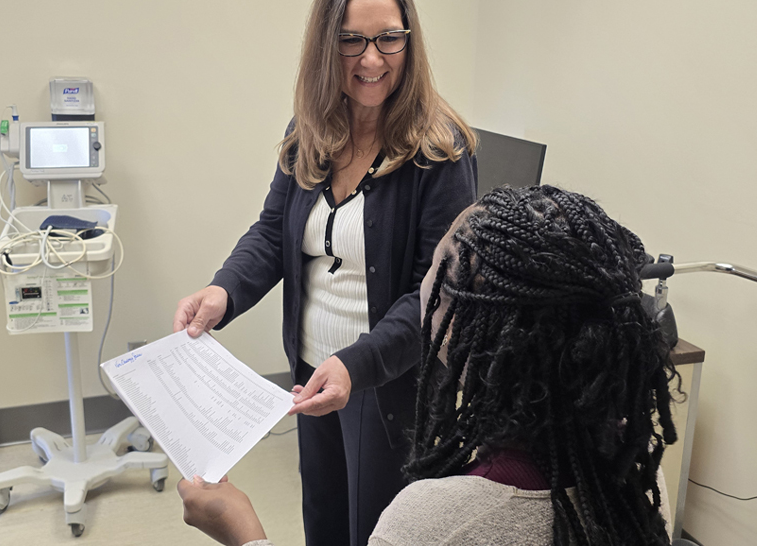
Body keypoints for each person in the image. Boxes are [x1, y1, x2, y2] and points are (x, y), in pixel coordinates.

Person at [177, 185, 678, 546]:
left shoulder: (428, 524)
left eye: (434, 274)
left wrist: (242, 531)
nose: (420, 289)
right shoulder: (636, 478)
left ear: (462, 329)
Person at [173, 0, 477, 546]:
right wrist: (222, 291)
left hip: (385, 385)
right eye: (351, 41)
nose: (372, 59)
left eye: (388, 39)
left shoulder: (439, 151)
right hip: (312, 374)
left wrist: (355, 365)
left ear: (409, 42)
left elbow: (434, 296)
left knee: (374, 531)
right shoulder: (310, 129)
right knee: (325, 521)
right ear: (325, 47)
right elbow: (272, 232)